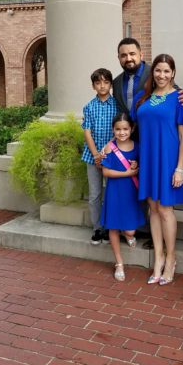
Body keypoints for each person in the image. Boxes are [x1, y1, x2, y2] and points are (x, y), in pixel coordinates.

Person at [133, 54, 183, 286]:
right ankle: (157, 259)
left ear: (173, 73)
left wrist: (179, 168)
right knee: (153, 209)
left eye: (167, 71)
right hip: (147, 159)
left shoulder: (180, 98)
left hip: (168, 160)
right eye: (158, 70)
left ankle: (171, 258)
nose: (162, 75)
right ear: (152, 72)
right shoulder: (142, 98)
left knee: (165, 209)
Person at [100, 112, 146, 281]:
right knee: (113, 226)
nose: (122, 132)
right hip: (114, 192)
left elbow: (141, 165)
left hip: (131, 192)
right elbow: (105, 171)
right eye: (118, 129)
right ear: (113, 130)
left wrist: (136, 165)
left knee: (130, 228)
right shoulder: (109, 148)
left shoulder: (138, 146)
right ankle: (119, 263)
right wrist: (127, 173)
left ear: (131, 129)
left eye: (125, 129)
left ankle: (129, 235)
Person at [81, 68, 118, 245]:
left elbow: (120, 130)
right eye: (98, 83)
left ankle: (111, 227)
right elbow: (87, 131)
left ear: (110, 84)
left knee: (111, 193)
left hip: (112, 156)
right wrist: (96, 154)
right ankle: (97, 228)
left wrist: (106, 150)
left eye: (105, 82)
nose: (102, 86)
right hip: (92, 156)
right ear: (93, 85)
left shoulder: (117, 105)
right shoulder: (89, 107)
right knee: (95, 194)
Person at [113, 38, 151, 114]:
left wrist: (182, 93)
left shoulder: (155, 74)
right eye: (124, 55)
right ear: (119, 58)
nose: (128, 59)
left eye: (132, 54)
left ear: (141, 55)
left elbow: (173, 90)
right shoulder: (116, 82)